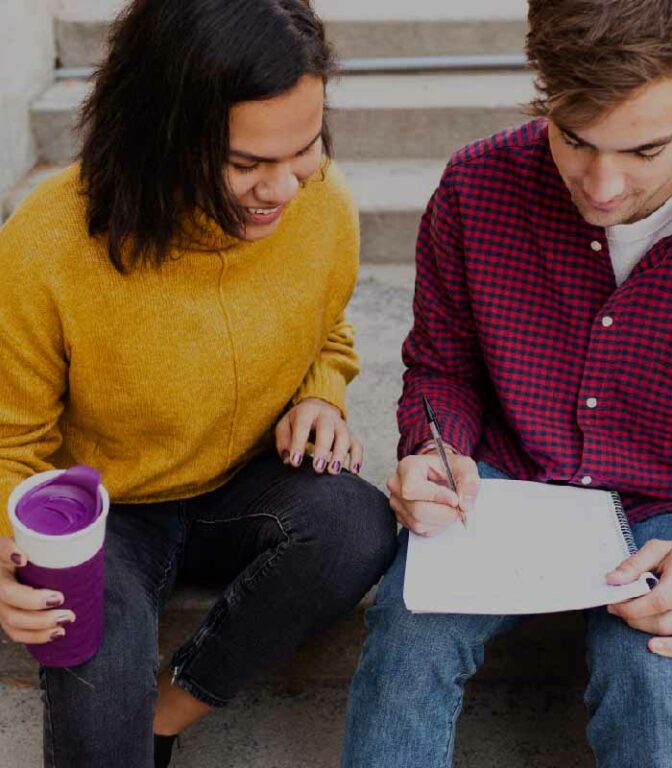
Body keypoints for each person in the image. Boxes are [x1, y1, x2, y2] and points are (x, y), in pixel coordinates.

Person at [342, 1, 672, 766]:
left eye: (644, 150)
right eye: (574, 138)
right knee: (410, 633)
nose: (602, 186)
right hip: (504, 485)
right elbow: (444, 368)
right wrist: (435, 449)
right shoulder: (478, 187)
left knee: (653, 674)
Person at [0, 1, 397, 766]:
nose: (281, 189)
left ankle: (168, 718)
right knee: (91, 673)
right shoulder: (48, 237)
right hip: (102, 510)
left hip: (239, 488)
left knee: (356, 524)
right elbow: (9, 437)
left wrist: (321, 387)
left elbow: (328, 325)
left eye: (304, 149)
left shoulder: (324, 205)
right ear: (159, 132)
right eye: (243, 164)